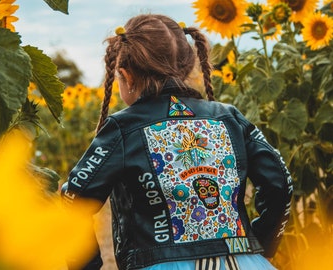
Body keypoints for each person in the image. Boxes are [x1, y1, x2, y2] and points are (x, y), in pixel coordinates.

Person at [61, 14, 293, 270]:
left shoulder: (123, 128)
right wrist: (260, 245)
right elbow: (280, 182)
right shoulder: (229, 118)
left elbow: (73, 199)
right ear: (188, 65)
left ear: (126, 75)